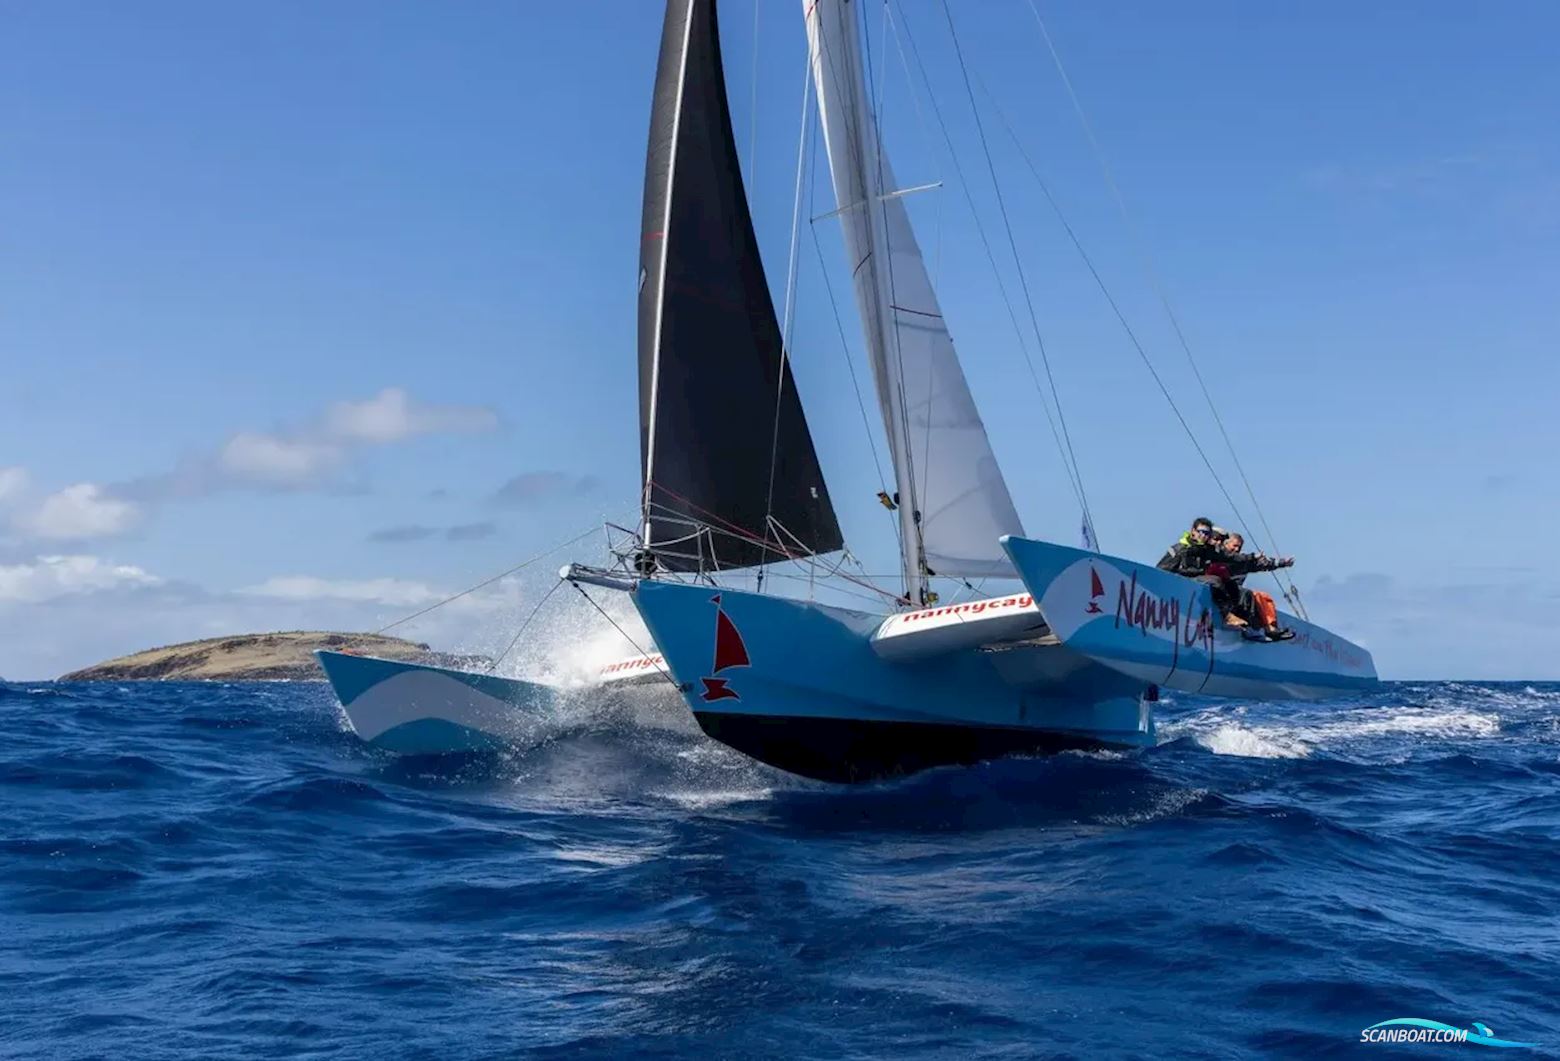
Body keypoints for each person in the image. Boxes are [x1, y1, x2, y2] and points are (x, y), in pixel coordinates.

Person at [1205, 532, 1296, 641]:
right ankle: (1250, 628)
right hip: (1222, 591)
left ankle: (1270, 628)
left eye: (1239, 547)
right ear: (1226, 544)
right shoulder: (1218, 555)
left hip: (1234, 593)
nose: (1237, 549)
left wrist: (1281, 563)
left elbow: (1259, 564)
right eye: (1234, 546)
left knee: (1263, 596)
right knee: (1246, 594)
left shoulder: (1241, 561)